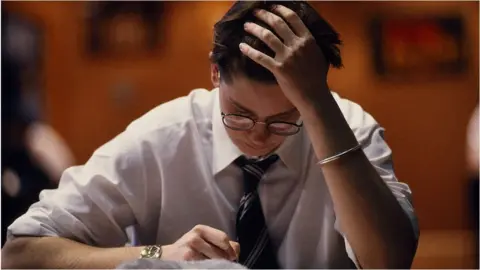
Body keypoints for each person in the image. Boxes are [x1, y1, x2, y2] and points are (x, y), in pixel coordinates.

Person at [2, 1, 419, 269]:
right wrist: (161, 255)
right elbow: (19, 255)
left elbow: (390, 262)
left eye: (283, 120)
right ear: (215, 74)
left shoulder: (348, 126)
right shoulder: (163, 135)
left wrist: (318, 105)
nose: (259, 136)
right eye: (238, 115)